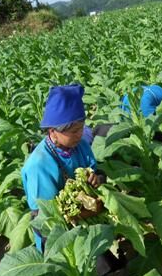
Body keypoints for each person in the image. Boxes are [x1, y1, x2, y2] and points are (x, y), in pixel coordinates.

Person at [21, 84, 104, 253]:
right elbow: (45, 219)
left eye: (81, 128)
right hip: (57, 239)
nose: (80, 135)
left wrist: (97, 178)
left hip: (89, 222)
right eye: (74, 131)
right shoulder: (39, 165)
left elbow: (97, 171)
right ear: (53, 132)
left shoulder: (79, 145)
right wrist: (87, 212)